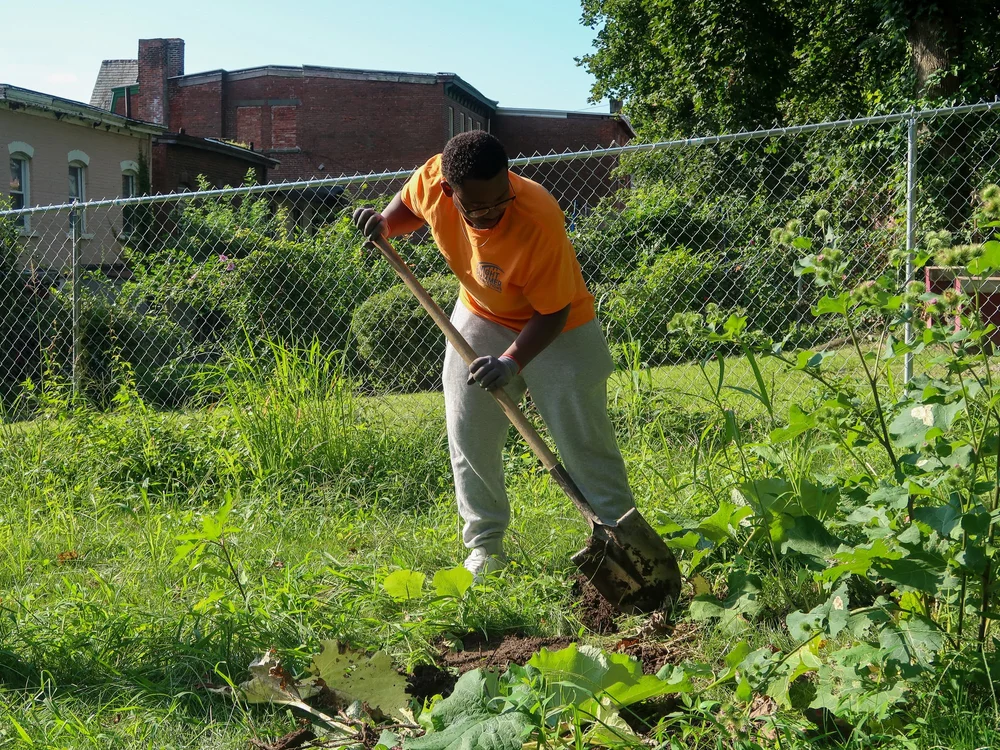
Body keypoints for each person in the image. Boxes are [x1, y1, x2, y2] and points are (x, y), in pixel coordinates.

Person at [352, 131, 635, 577]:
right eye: (479, 207)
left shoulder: (537, 213)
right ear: (449, 191)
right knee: (469, 431)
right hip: (481, 313)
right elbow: (408, 206)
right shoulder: (435, 179)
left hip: (559, 326)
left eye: (502, 199)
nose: (494, 214)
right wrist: (385, 224)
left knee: (583, 439)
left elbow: (553, 311)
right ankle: (485, 547)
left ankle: (624, 539)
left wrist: (510, 362)